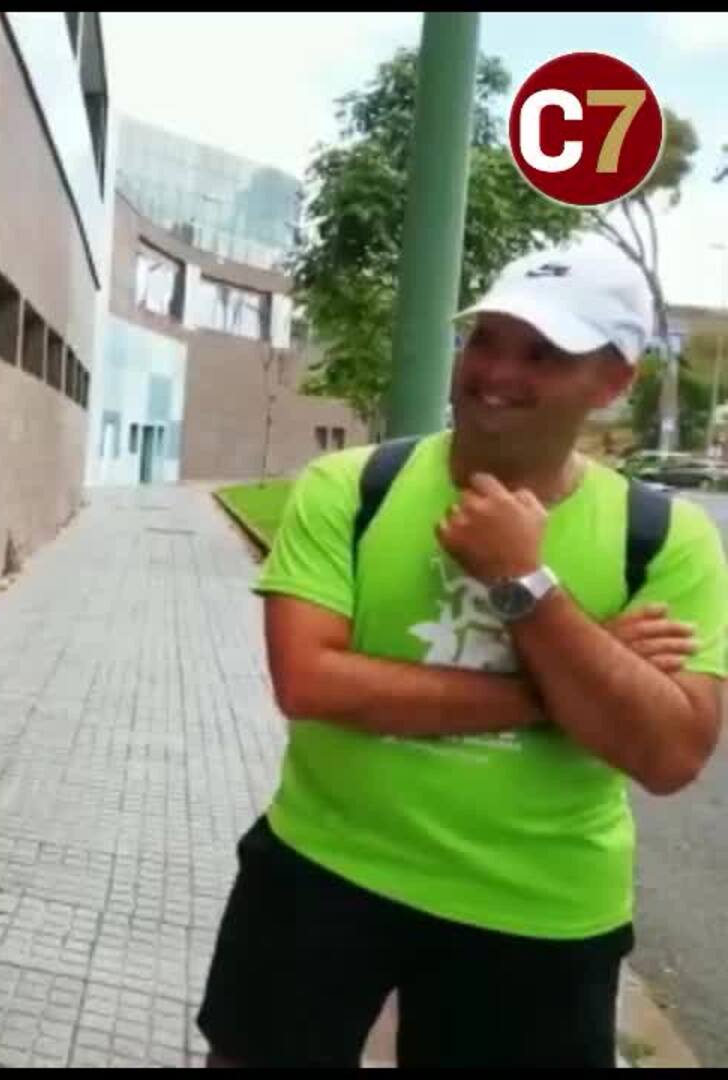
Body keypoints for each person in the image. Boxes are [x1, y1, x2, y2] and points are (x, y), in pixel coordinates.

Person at [195, 246, 728, 1067]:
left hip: (539, 909)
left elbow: (669, 754)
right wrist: (567, 688)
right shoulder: (351, 486)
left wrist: (524, 583)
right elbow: (308, 681)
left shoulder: (663, 538)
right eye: (486, 340)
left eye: (543, 354)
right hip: (322, 868)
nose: (497, 373)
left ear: (613, 382)